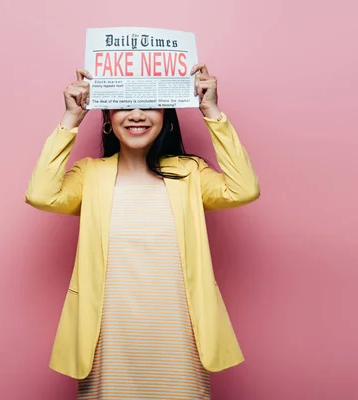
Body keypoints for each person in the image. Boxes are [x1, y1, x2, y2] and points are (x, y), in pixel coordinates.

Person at [25, 64, 260, 399]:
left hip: (179, 339)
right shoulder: (89, 175)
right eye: (124, 105)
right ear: (107, 118)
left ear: (165, 116)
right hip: (107, 340)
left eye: (149, 104)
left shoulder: (189, 173)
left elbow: (244, 189)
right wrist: (70, 120)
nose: (136, 115)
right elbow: (41, 194)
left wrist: (212, 111)